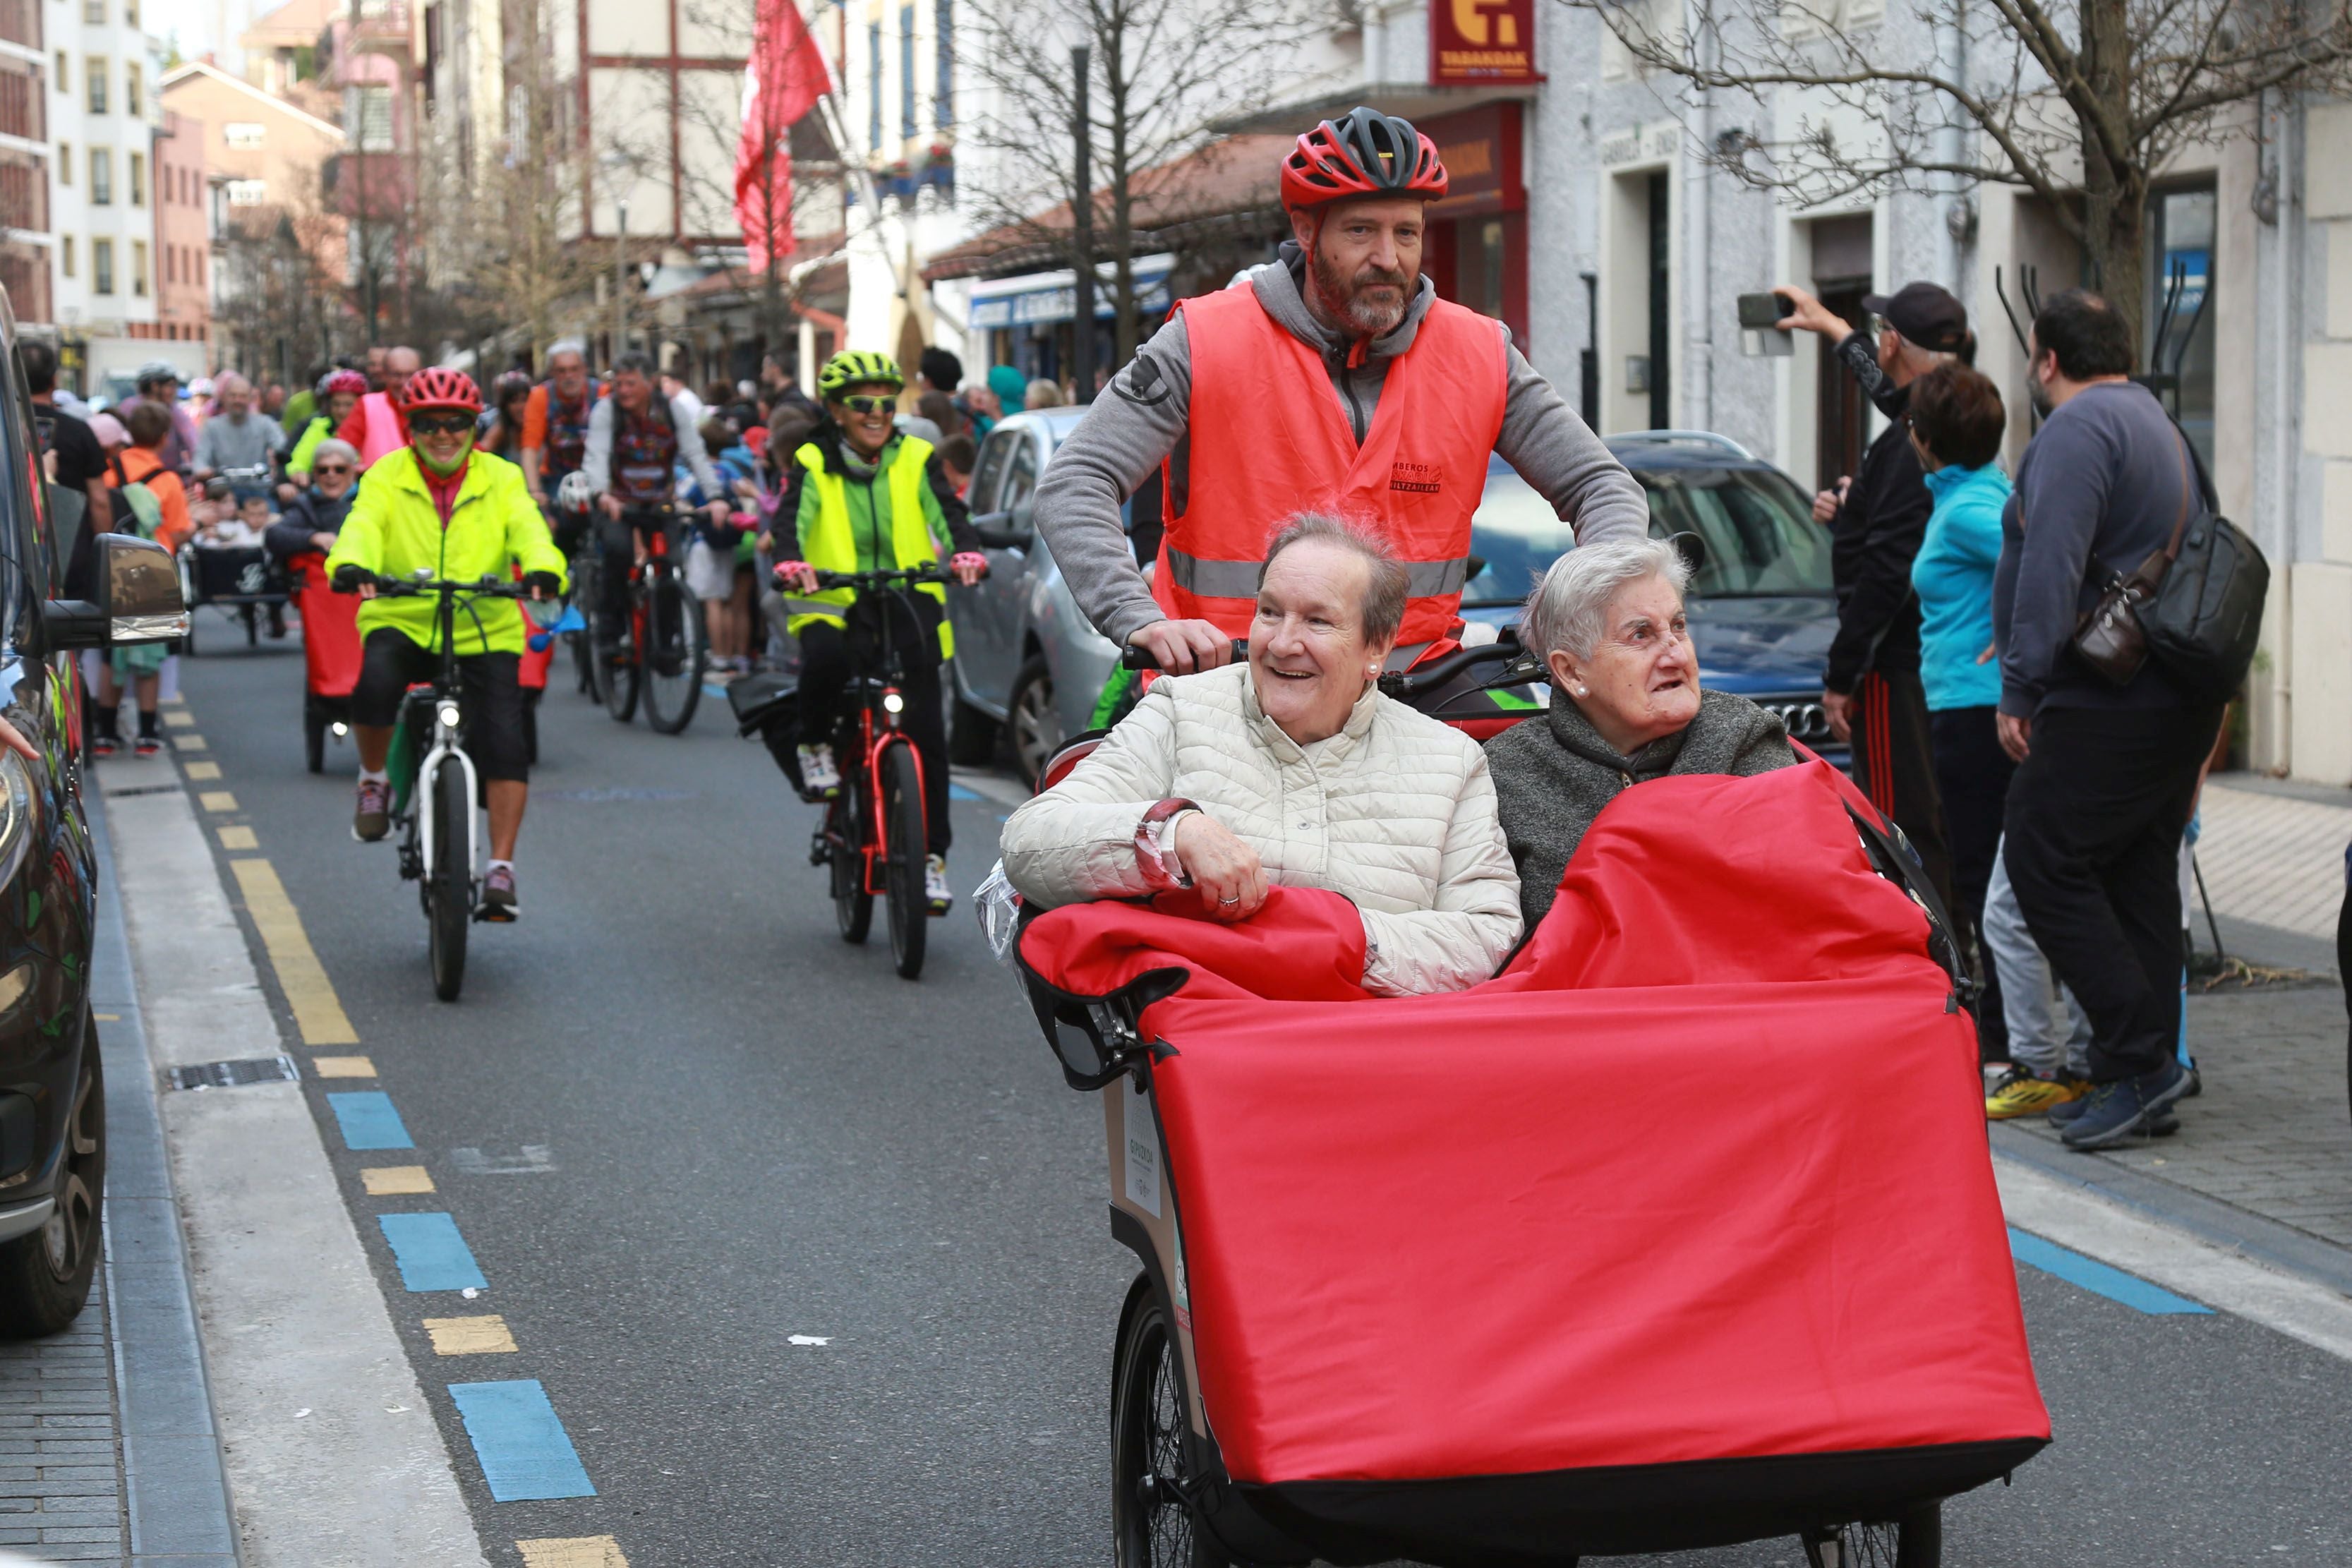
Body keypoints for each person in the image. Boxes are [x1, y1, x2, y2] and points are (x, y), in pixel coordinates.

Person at [1035, 107, 1646, 678]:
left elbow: (1600, 485)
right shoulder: (1203, 338)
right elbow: (1076, 481)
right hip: (1228, 692)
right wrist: (1137, 619)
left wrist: (1584, 606)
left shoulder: (1480, 352)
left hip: (1414, 699)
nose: (1388, 258)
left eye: (1407, 233)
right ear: (1305, 230)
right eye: (1361, 231)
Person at [1000, 514, 1521, 994]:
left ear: (1376, 648)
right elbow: (1028, 843)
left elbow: (1486, 934)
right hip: (1210, 1041)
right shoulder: (1183, 711)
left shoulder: (1450, 760)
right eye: (1270, 612)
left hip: (1379, 1047)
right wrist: (1168, 833)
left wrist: (1328, 942)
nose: (1281, 643)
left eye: (1318, 621)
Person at [1994, 288, 2224, 1150]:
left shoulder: (2077, 431)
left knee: (2042, 854)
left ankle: (2138, 1055)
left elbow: (2051, 562)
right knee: (2135, 873)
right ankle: (2145, 1069)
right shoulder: (2161, 426)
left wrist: (2022, 686)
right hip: (2175, 695)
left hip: (2110, 695)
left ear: (2047, 360)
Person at [325, 369, 566, 919]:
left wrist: (544, 570)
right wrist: (351, 564)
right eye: (428, 423)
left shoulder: (502, 478)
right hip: (405, 615)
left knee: (507, 742)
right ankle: (374, 779)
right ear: (411, 427)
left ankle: (501, 869)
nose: (442, 435)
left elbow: (531, 532)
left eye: (455, 423)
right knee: (374, 686)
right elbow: (361, 525)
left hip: (484, 623)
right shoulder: (386, 474)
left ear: (473, 426)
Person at [1485, 538, 1797, 930]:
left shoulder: (1741, 734)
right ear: (1571, 672)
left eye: (1678, 627)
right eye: (1641, 635)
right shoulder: (1507, 772)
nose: (1677, 655)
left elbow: (1791, 897)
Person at [771, 350, 986, 911]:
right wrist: (793, 561)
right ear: (836, 411)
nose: (877, 413)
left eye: (886, 403)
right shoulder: (813, 459)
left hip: (906, 598)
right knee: (824, 663)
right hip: (833, 598)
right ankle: (816, 743)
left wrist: (965, 551)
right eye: (862, 404)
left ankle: (931, 857)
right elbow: (789, 520)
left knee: (926, 739)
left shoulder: (917, 456)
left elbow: (949, 514)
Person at [1773, 279, 1962, 906]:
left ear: (1893, 343)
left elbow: (1886, 572)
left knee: (1900, 825)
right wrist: (1828, 325)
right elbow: (1891, 391)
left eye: (1883, 334)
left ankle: (1935, 967)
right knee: (1934, 817)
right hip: (1934, 659)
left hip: (1895, 665)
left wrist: (1842, 674)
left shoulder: (1911, 447)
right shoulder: (1950, 415)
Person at [1900, 362, 2020, 1079]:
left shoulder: (1974, 508)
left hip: (1975, 714)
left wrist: (2019, 634)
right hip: (1965, 707)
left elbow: (2049, 569)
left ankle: (2000, 1039)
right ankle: (2002, 1028)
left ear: (1924, 440)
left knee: (1978, 875)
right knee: (1984, 872)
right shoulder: (1978, 491)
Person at [579, 352, 732, 643]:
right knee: (618, 552)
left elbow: (696, 455)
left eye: (630, 383)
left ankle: (666, 639)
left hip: (660, 503)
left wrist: (715, 496)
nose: (622, 390)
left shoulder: (673, 411)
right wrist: (600, 494)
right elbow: (596, 456)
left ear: (650, 383)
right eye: (619, 384)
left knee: (673, 564)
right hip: (617, 505)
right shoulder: (607, 412)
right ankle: (612, 630)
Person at [97, 402, 194, 756]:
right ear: (165, 438)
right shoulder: (167, 480)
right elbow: (179, 532)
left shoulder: (109, 470)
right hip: (154, 573)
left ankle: (105, 735)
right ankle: (148, 735)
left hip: (113, 569)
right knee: (150, 656)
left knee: (112, 655)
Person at [23, 341, 113, 598]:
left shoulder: (6, 432)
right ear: (54, 380)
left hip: (13, 553)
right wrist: (104, 556)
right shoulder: (79, 431)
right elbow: (99, 501)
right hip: (72, 552)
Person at [517, 339, 601, 531]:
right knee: (552, 527)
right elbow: (530, 449)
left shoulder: (601, 393)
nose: (569, 376)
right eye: (561, 371)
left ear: (584, 369)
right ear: (552, 373)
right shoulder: (541, 396)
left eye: (574, 369)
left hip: (597, 476)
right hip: (557, 476)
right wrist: (535, 491)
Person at [265, 438, 359, 560]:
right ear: (314, 474)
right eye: (323, 470)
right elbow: (275, 535)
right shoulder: (305, 504)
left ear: (353, 472)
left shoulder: (369, 500)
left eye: (339, 469)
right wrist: (313, 537)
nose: (331, 475)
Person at [284, 370, 368, 495]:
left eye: (348, 405)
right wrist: (298, 472)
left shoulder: (371, 429)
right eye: (336, 404)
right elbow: (300, 459)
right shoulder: (320, 426)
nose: (341, 411)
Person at [191, 373, 286, 484]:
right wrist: (202, 469)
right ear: (224, 398)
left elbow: (282, 446)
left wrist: (281, 467)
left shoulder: (265, 423)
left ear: (250, 399)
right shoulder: (212, 427)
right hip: (223, 489)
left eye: (243, 396)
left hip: (258, 488)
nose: (237, 400)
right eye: (233, 396)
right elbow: (201, 455)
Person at [337, 345, 422, 468]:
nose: (404, 382)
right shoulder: (367, 405)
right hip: (379, 486)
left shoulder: (435, 408)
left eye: (410, 374)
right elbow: (340, 450)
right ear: (385, 375)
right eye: (397, 375)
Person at [134, 361, 199, 477]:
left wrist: (200, 467)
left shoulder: (176, 413)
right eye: (171, 386)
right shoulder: (130, 408)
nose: (175, 391)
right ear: (155, 386)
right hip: (135, 477)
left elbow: (193, 443)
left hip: (168, 478)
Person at [478, 372, 533, 459]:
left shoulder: (544, 424)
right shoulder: (501, 428)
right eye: (514, 401)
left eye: (524, 400)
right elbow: (479, 453)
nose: (520, 407)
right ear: (506, 406)